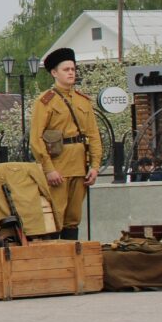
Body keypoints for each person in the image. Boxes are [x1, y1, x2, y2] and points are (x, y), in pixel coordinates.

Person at [29, 48, 103, 240]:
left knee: (73, 219)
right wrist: (48, 169)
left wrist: (95, 166)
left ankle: (72, 258)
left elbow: (94, 135)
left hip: (80, 167)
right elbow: (36, 138)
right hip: (58, 167)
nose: (71, 73)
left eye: (73, 69)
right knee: (55, 216)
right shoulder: (46, 101)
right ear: (54, 73)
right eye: (66, 69)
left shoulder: (83, 101)